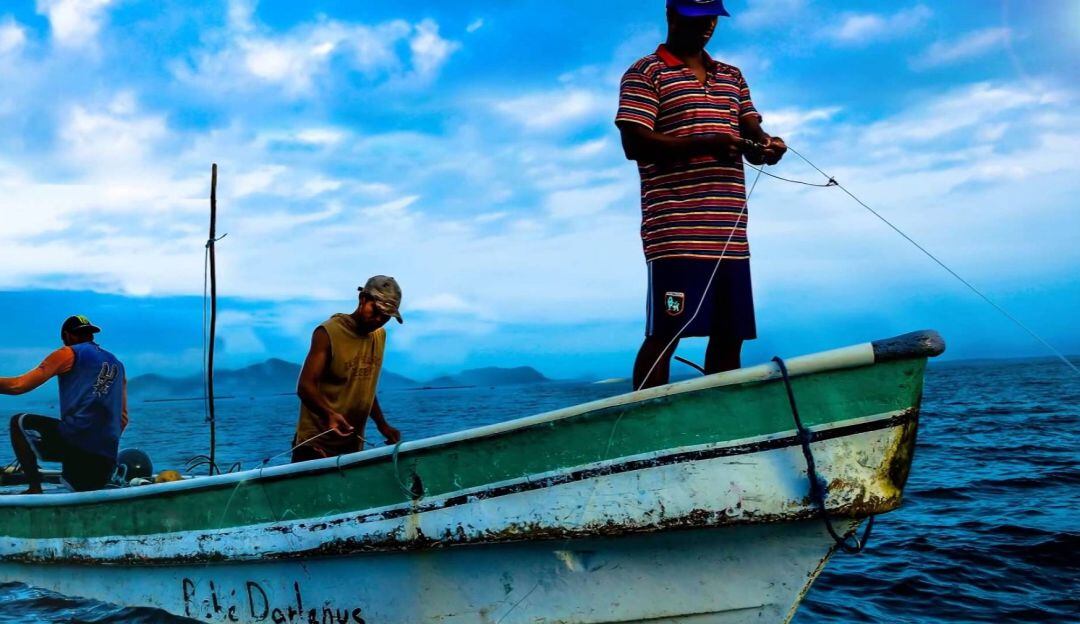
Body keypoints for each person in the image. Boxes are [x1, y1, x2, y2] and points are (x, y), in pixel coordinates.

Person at [616, 0, 788, 389]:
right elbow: (634, 143)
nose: (707, 26)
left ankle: (721, 420)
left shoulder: (732, 76)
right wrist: (706, 143)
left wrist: (767, 146)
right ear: (672, 16)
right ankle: (648, 417)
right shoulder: (645, 72)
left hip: (729, 234)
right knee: (666, 333)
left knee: (730, 335)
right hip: (676, 231)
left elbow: (752, 132)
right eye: (697, 18)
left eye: (712, 18)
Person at [1, 315, 128, 493]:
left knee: (18, 422)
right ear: (91, 335)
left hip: (77, 447)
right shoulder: (117, 364)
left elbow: (18, 386)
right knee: (80, 484)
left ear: (67, 336)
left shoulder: (68, 353)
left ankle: (34, 488)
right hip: (106, 459)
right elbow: (123, 419)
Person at [292, 276, 404, 462]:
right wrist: (329, 414)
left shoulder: (379, 335)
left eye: (386, 316)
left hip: (351, 446)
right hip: (315, 446)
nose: (378, 319)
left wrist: (382, 425)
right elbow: (305, 386)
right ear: (363, 299)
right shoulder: (328, 332)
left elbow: (364, 387)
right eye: (376, 310)